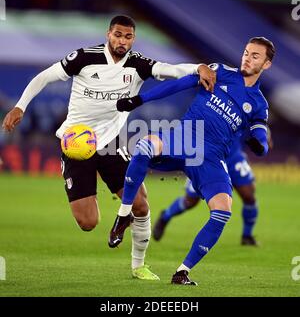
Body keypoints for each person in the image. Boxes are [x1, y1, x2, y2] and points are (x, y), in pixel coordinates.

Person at [2, 15, 216, 281]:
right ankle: (87, 186)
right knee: (88, 223)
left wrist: (200, 67)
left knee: (140, 204)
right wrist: (21, 106)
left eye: (127, 37)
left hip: (112, 144)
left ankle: (139, 266)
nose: (122, 41)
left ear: (133, 39)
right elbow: (44, 76)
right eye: (117, 35)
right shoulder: (84, 57)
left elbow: (171, 69)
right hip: (76, 144)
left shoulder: (138, 65)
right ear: (108, 34)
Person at [111, 36, 275, 285]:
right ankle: (124, 214)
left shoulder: (259, 104)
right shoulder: (219, 72)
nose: (247, 58)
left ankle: (182, 272)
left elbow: (261, 136)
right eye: (246, 52)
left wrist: (259, 145)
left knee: (222, 210)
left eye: (255, 55)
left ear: (266, 64)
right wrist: (140, 100)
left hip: (211, 156)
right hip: (186, 136)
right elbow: (179, 85)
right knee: (144, 146)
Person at [153, 138, 260, 245]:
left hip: (233, 157)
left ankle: (247, 236)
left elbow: (255, 124)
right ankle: (165, 216)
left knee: (249, 195)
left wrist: (263, 138)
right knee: (190, 201)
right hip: (208, 158)